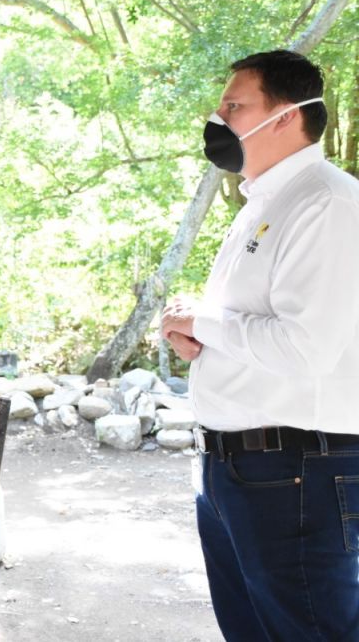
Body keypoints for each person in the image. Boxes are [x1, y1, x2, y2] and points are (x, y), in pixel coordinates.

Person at [161, 50, 359, 641]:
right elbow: (251, 328)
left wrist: (206, 321)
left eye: (234, 105)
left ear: (287, 117)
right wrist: (199, 337)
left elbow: (306, 349)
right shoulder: (264, 204)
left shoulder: (326, 203)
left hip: (296, 467)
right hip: (240, 469)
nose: (217, 117)